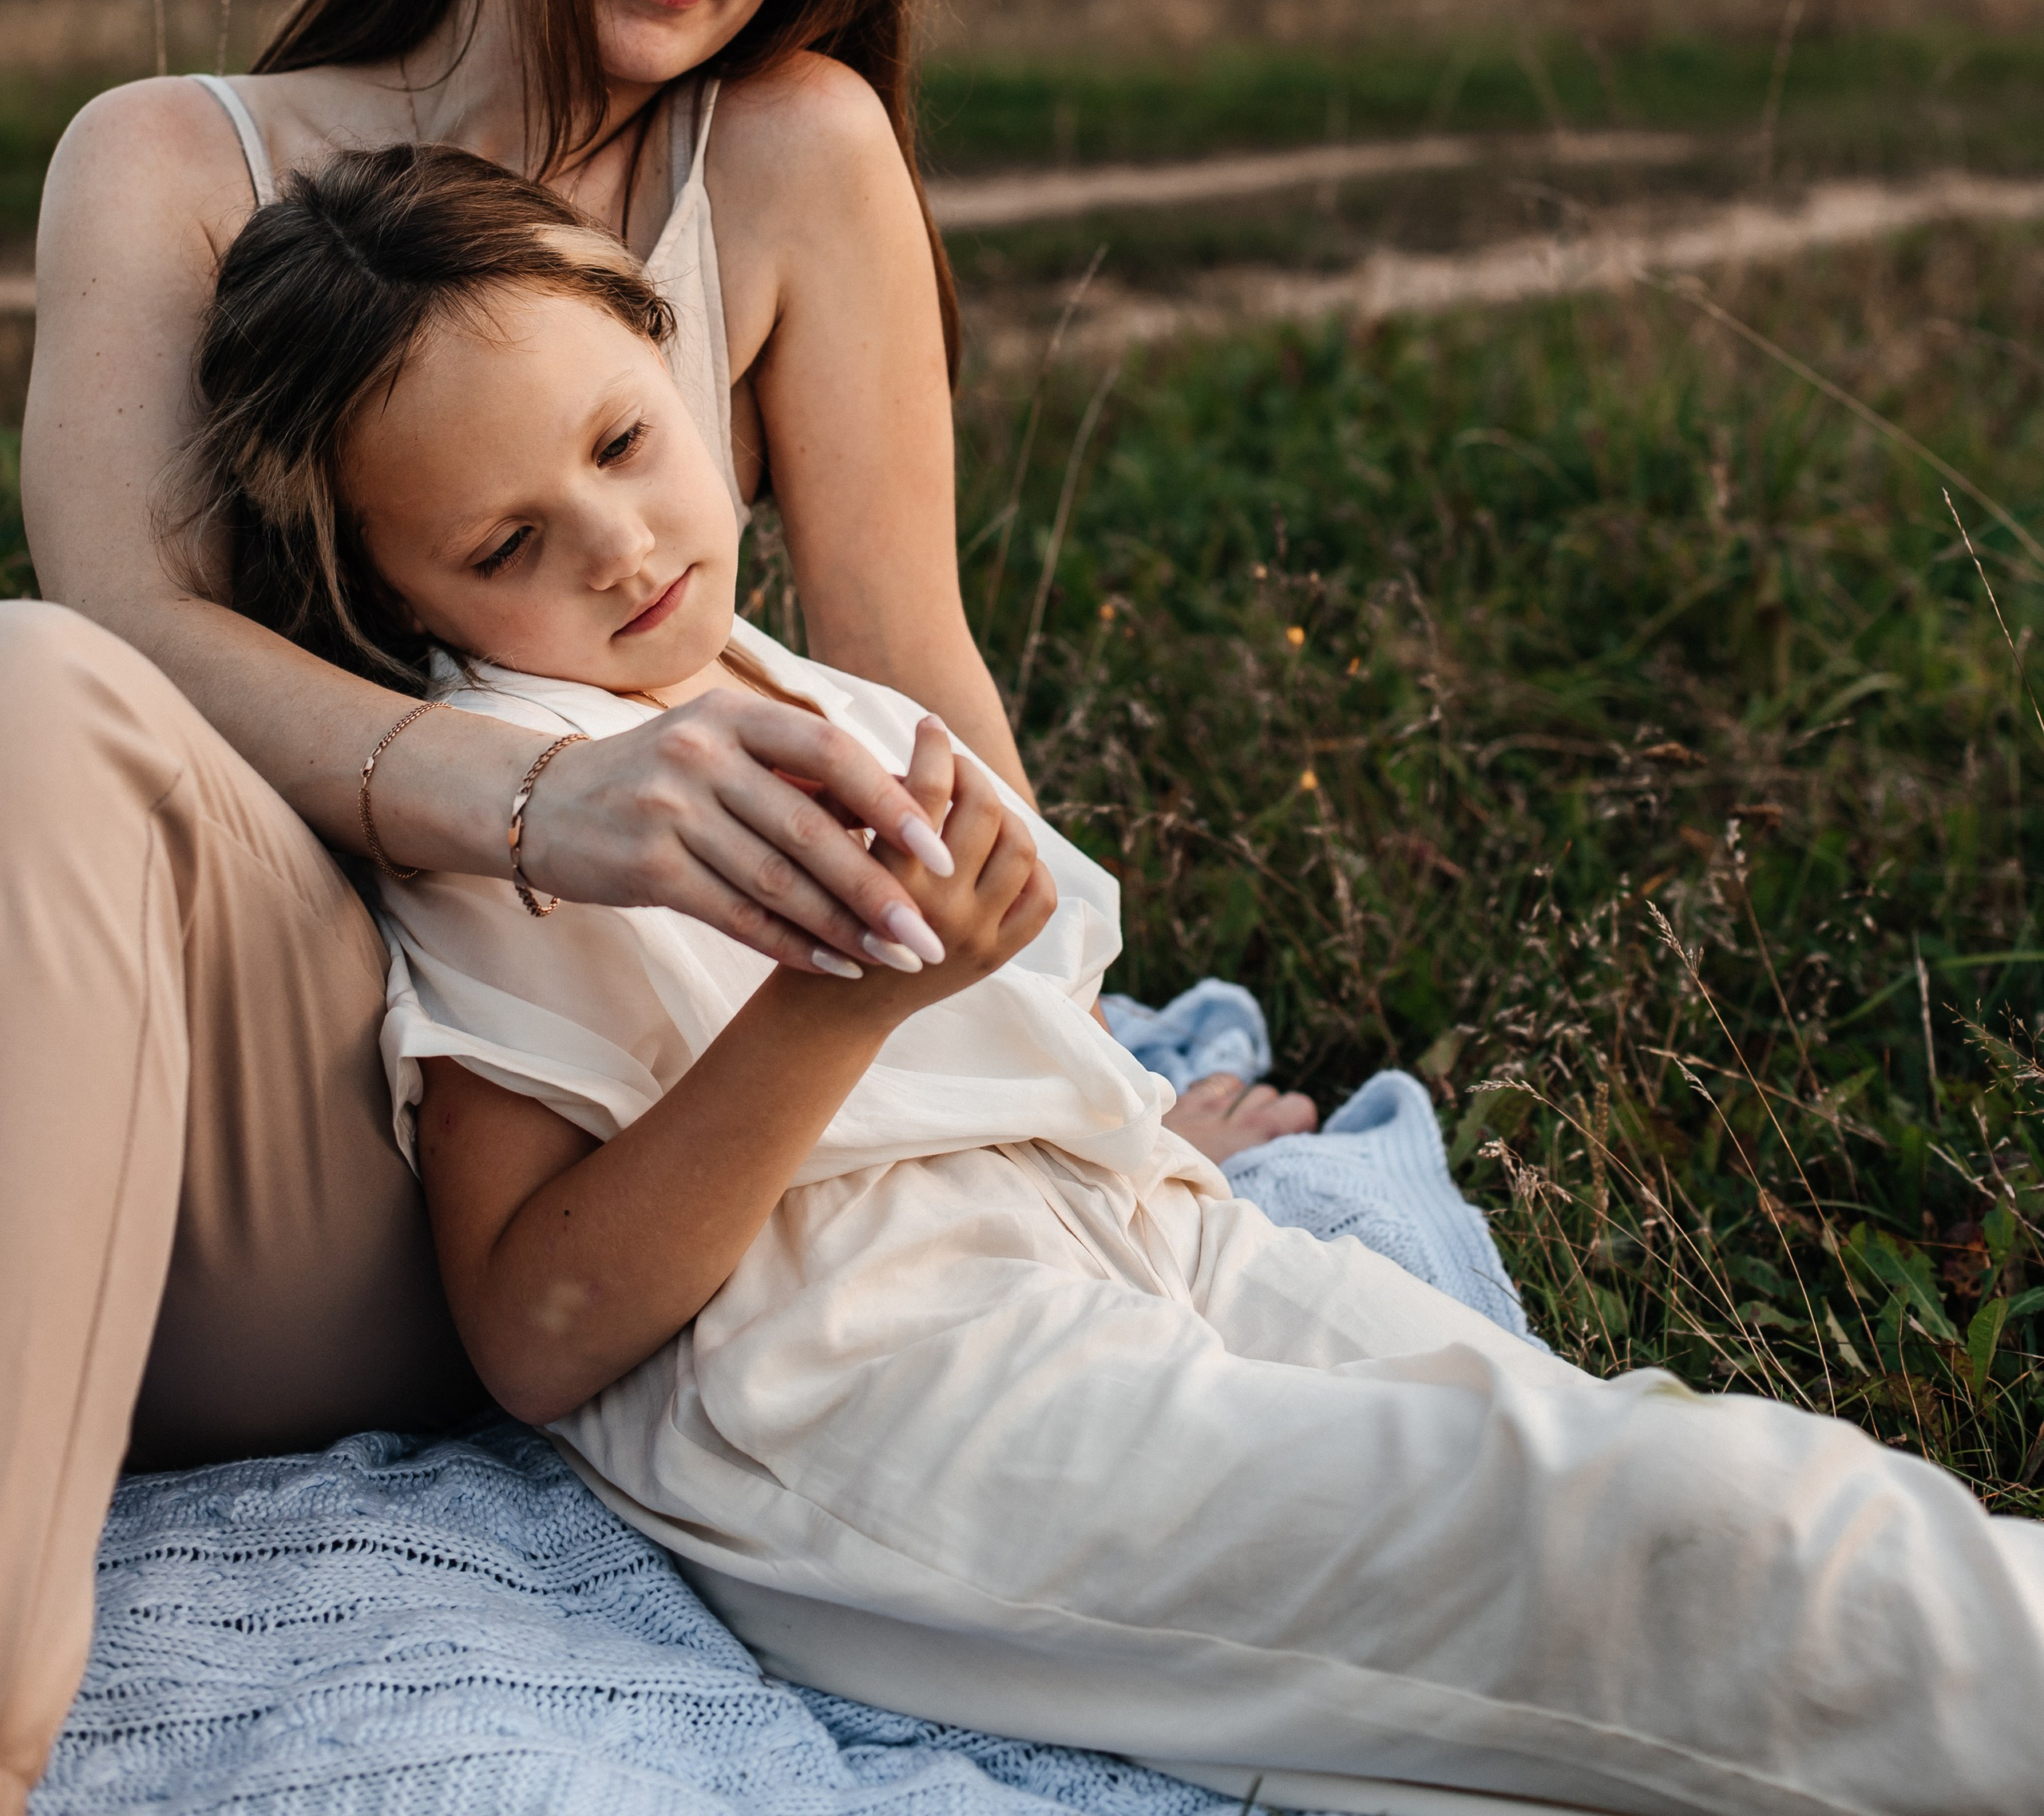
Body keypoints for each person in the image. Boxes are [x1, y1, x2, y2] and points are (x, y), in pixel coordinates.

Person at [173, 137, 2044, 1816]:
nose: (619, 545)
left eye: (618, 443)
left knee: (1672, 1481)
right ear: (400, 600)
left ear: (677, 370)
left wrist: (1112, 1113)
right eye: (507, 543)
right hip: (877, 1385)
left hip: (1142, 1243)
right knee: (1676, 1545)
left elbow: (987, 1037)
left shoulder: (787, 683)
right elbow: (536, 1329)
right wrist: (839, 1011)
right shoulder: (517, 801)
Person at [0, 0, 1304, 1811]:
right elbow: (124, 622)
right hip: (272, 1128)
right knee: (29, 691)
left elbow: (907, 665)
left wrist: (1090, 1090)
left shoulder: (791, 153)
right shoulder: (172, 164)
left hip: (561, 1168)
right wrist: (521, 800)